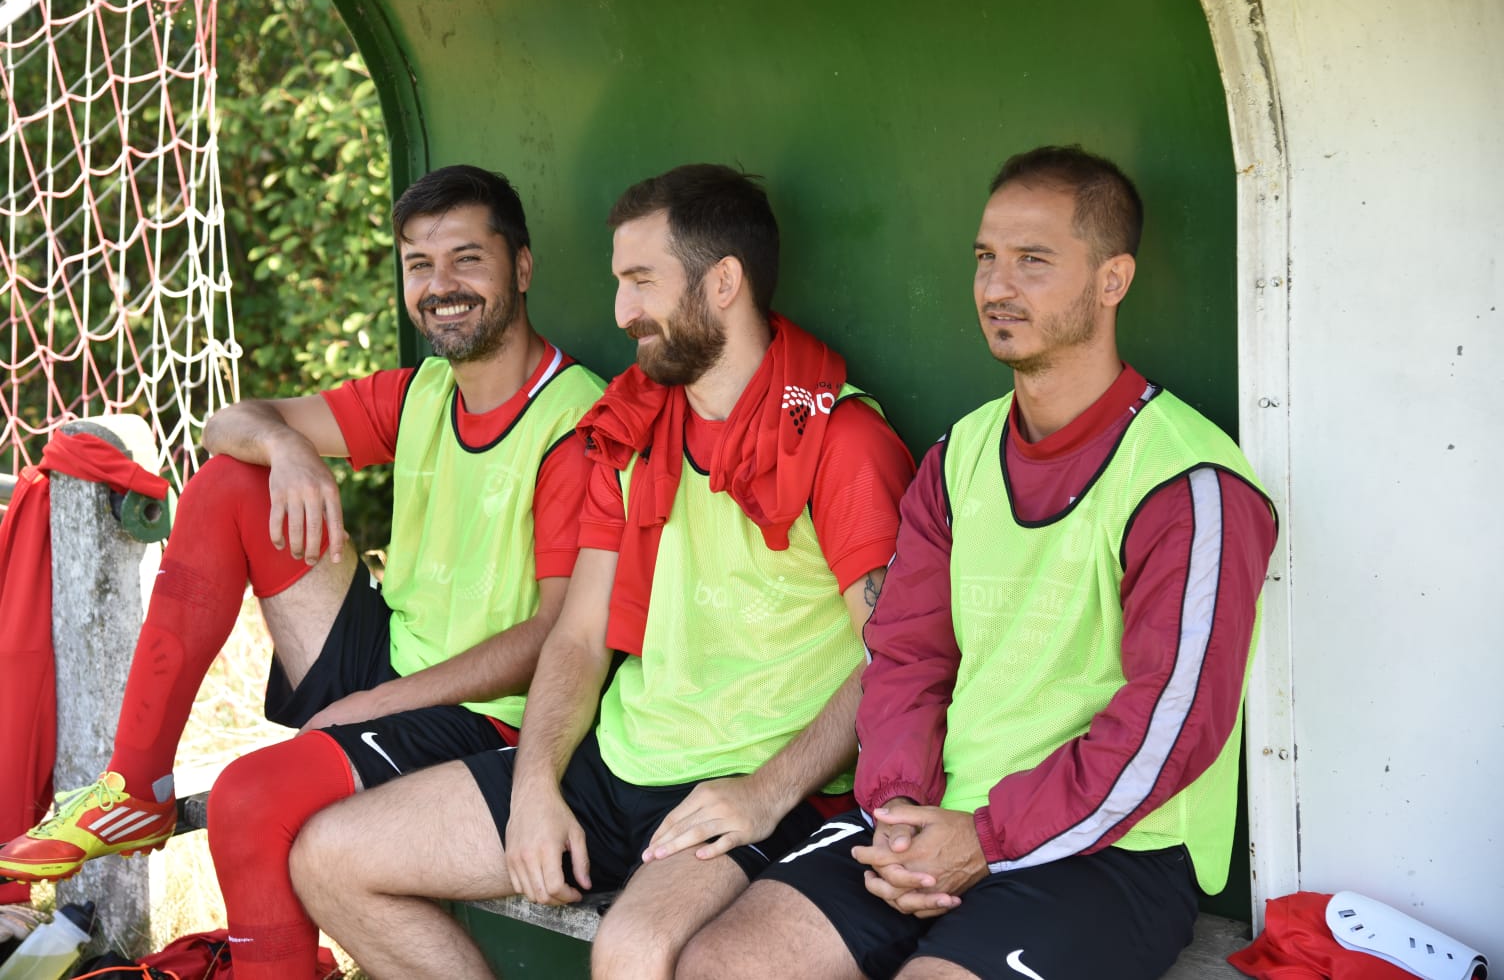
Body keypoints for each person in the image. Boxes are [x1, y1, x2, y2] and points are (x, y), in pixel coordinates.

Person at [288, 163, 917, 979]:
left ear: (723, 282)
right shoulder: (633, 424)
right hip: (615, 758)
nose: (623, 312)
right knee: (329, 857)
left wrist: (766, 792)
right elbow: (580, 638)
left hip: (747, 785)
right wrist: (536, 786)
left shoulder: (843, 441)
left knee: (632, 951)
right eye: (620, 283)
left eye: (642, 282)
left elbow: (894, 658)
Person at [678, 145, 1280, 980]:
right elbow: (905, 653)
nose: (997, 286)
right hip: (938, 810)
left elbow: (1169, 730)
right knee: (721, 965)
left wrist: (987, 838)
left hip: (1111, 850)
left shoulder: (1189, 481)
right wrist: (897, 803)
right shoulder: (959, 456)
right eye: (985, 258)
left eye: (1033, 261)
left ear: (1113, 280)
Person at [0, 166, 606, 979]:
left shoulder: (574, 421)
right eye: (419, 265)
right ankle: (136, 785)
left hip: (490, 714)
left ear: (521, 268)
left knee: (250, 799)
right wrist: (285, 446)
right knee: (231, 482)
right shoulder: (423, 390)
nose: (441, 286)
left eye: (467, 259)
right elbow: (227, 424)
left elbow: (556, 636)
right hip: (395, 654)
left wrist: (375, 704)